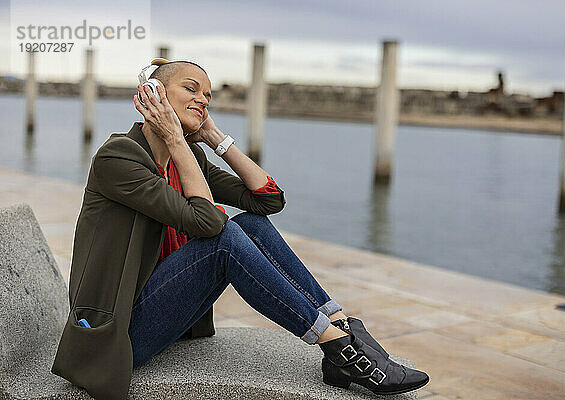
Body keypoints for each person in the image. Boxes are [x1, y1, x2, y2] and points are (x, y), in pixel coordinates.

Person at [113, 60, 430, 396]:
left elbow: (268, 200)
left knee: (250, 225)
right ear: (152, 93)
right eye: (191, 89)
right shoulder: (119, 157)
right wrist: (176, 140)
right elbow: (209, 223)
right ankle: (339, 346)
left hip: (172, 313)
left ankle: (337, 322)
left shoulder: (190, 160)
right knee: (225, 238)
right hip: (125, 331)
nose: (203, 100)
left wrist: (213, 137)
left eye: (208, 95)